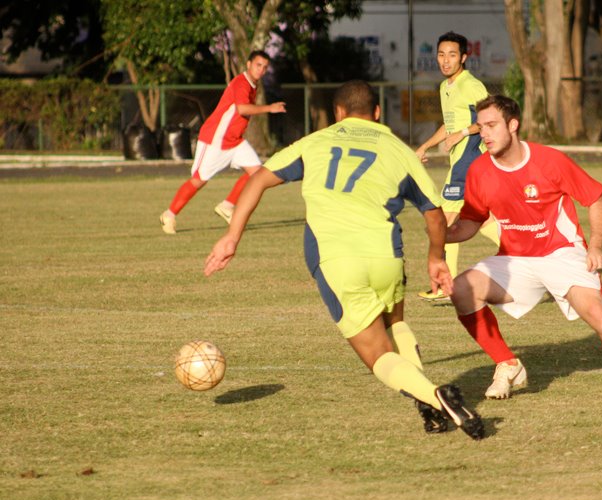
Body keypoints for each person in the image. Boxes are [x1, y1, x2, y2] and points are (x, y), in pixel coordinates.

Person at [204, 80, 485, 440]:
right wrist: (436, 258)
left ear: (338, 113)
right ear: (378, 113)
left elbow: (258, 179)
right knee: (394, 322)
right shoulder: (397, 148)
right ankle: (429, 407)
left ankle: (435, 396)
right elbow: (433, 213)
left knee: (378, 355)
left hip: (338, 260)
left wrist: (232, 237)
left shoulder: (317, 141)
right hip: (387, 256)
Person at [446, 94, 602, 404]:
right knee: (461, 289)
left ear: (513, 125)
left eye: (491, 126)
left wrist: (595, 246)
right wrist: (440, 234)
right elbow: (471, 223)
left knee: (597, 313)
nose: (484, 134)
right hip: (515, 259)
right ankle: (508, 363)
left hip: (561, 252)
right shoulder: (479, 170)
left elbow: (596, 198)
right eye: (481, 127)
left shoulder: (549, 161)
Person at [160, 50, 286, 234]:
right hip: (216, 139)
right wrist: (270, 108)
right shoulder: (241, 83)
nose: (261, 70)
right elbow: (242, 109)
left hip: (235, 141)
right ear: (249, 64)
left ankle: (227, 206)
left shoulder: (253, 85)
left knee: (257, 174)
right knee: (199, 181)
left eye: (265, 67)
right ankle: (169, 215)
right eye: (258, 65)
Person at [415, 31, 500, 301]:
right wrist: (425, 145)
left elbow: (489, 118)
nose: (445, 60)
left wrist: (462, 134)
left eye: (452, 55)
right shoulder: (445, 87)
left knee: (443, 223)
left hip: (470, 162)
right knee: (483, 220)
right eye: (441, 55)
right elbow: (449, 126)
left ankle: (443, 285)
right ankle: (532, 255)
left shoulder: (470, 85)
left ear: (463, 57)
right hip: (462, 163)